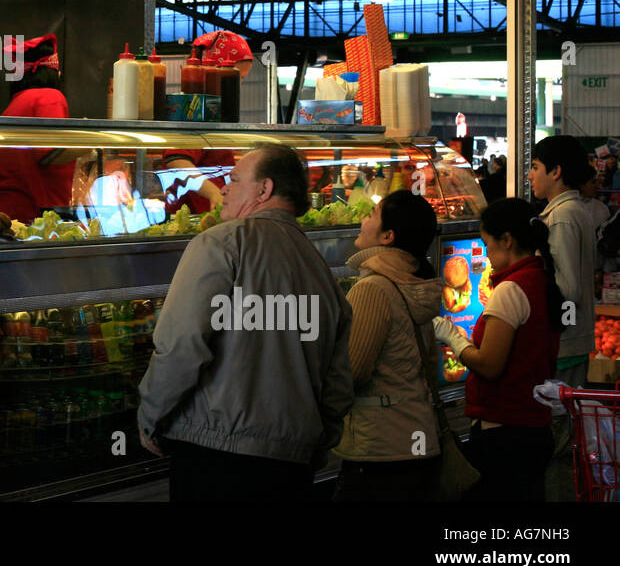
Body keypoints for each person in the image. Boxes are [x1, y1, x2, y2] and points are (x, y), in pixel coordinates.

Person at [137, 144, 355, 501]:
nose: (222, 187)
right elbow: (338, 379)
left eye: (235, 179)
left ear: (263, 189)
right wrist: (317, 442)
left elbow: (181, 345)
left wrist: (151, 417)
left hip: (215, 456)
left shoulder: (219, 244)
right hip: (292, 463)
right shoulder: (320, 268)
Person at [433, 199, 565, 502]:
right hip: (534, 425)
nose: (488, 255)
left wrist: (453, 337)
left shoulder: (511, 289)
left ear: (507, 240)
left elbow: (490, 365)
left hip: (505, 429)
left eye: (488, 244)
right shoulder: (541, 279)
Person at [333, 191, 444, 501]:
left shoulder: (372, 289)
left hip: (381, 448)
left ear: (388, 236)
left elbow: (352, 372)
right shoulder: (414, 284)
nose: (362, 218)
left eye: (372, 213)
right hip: (417, 439)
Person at [0, 35, 74, 222]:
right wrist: (87, 145)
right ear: (55, 72)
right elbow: (51, 153)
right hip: (27, 218)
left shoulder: (17, 102)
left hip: (0, 216)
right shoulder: (49, 97)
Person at [528, 135, 597, 387]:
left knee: (561, 417)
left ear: (556, 171)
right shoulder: (573, 210)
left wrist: (559, 333)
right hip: (571, 340)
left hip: (564, 346)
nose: (529, 176)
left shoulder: (562, 217)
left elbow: (568, 289)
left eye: (535, 167)